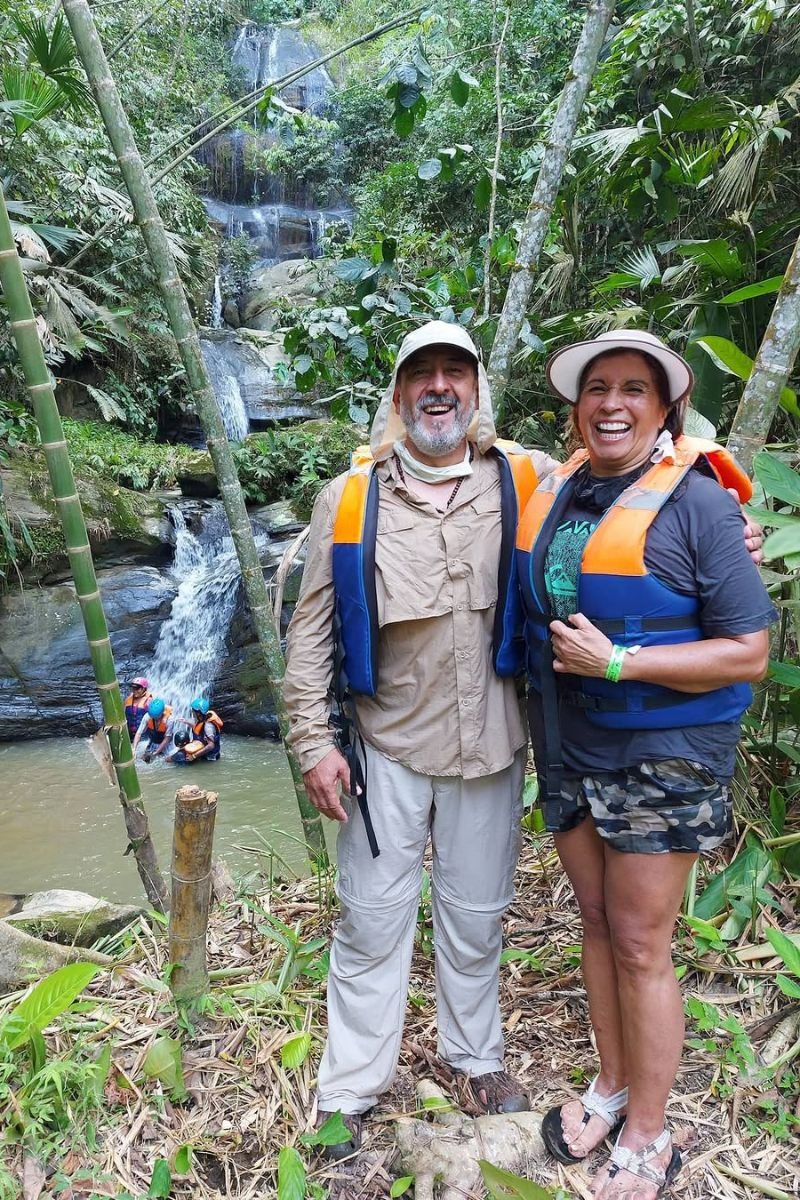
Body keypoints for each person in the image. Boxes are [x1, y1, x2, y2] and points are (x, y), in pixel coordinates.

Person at [283, 321, 764, 1163]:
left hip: (496, 745)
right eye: (421, 376)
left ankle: (476, 1059)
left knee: (477, 919)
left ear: (478, 392)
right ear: (398, 398)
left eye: (455, 375)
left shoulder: (529, 476)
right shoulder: (350, 497)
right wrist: (311, 742)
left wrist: (731, 527)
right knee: (371, 921)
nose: (439, 389)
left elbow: (650, 478)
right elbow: (311, 630)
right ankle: (349, 1088)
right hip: (385, 744)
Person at [516, 330, 776, 1200]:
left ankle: (652, 1132)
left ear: (667, 410)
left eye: (635, 389)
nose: (612, 403)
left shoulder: (699, 505)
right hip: (575, 740)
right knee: (595, 921)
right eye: (597, 388)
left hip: (665, 749)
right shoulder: (562, 488)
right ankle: (612, 1085)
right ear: (575, 406)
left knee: (639, 941)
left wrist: (622, 664)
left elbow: (748, 652)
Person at [132, 697, 174, 763]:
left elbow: (167, 739)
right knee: (145, 760)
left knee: (165, 761)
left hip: (167, 745)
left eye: (157, 717)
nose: (155, 719)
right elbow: (139, 733)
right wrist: (134, 749)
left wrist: (156, 753)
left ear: (162, 713)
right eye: (153, 717)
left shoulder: (169, 720)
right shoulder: (148, 716)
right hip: (153, 742)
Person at [123, 677, 151, 741]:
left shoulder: (149, 701)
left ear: (144, 689)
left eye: (137, 688)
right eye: (133, 688)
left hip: (143, 735)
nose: (134, 691)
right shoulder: (128, 699)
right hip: (129, 732)